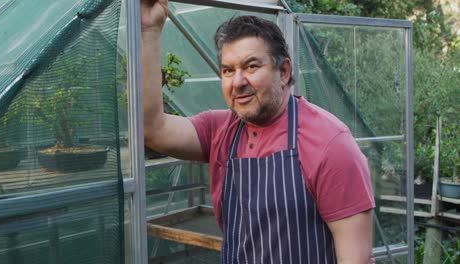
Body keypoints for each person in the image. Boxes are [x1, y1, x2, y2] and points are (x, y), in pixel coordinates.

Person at [141, 0, 375, 263]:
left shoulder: (330, 143)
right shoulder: (220, 130)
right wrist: (149, 31)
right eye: (228, 70)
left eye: (251, 66)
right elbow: (153, 129)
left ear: (283, 71)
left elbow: (356, 259)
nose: (238, 81)